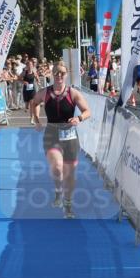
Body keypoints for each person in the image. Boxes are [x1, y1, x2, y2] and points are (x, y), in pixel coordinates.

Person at [28, 60, 91, 219]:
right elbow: (34, 103)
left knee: (69, 174)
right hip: (52, 133)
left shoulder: (73, 93)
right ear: (52, 74)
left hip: (70, 135)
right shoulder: (45, 92)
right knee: (57, 167)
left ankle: (68, 205)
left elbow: (87, 111)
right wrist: (36, 119)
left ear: (66, 75)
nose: (59, 76)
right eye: (56, 73)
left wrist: (79, 118)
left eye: (62, 73)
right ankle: (58, 190)